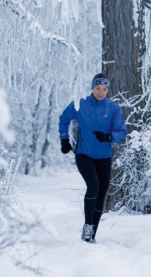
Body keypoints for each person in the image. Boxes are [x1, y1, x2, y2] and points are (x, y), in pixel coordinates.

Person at [58, 73, 127, 243]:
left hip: (104, 156)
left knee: (101, 193)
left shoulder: (113, 108)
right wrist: (64, 140)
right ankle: (87, 225)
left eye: (104, 89)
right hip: (84, 154)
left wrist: (110, 137)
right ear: (92, 88)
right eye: (98, 88)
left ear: (107, 90)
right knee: (93, 185)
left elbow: (122, 131)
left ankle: (91, 235)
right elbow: (63, 119)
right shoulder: (80, 104)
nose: (101, 92)